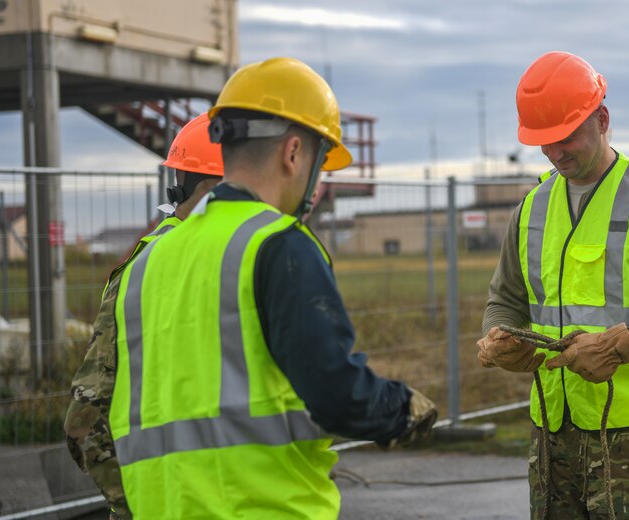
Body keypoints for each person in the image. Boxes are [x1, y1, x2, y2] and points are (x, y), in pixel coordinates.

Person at [106, 57, 437, 519]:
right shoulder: (278, 245)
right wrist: (400, 410)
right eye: (321, 163)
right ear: (294, 153)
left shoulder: (148, 261)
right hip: (260, 506)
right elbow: (335, 393)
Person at [477, 51, 629, 519]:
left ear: (602, 118)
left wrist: (623, 344)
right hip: (553, 435)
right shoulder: (530, 210)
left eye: (564, 137)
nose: (554, 153)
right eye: (543, 142)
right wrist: (499, 335)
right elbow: (505, 299)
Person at [64, 112, 224, 519]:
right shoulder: (230, 263)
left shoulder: (144, 264)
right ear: (218, 188)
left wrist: (134, 502)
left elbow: (84, 418)